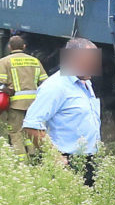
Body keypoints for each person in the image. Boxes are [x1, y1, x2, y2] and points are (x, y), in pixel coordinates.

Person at [22, 38, 103, 185]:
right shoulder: (55, 86)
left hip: (90, 159)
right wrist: (55, 157)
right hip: (68, 161)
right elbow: (31, 125)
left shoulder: (85, 83)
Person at [0, 35, 48, 146]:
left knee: (15, 133)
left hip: (16, 104)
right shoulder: (35, 61)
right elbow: (45, 83)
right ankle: (33, 157)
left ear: (9, 47)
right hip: (34, 104)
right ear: (24, 46)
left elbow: (0, 85)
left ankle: (20, 160)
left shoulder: (4, 61)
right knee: (32, 131)